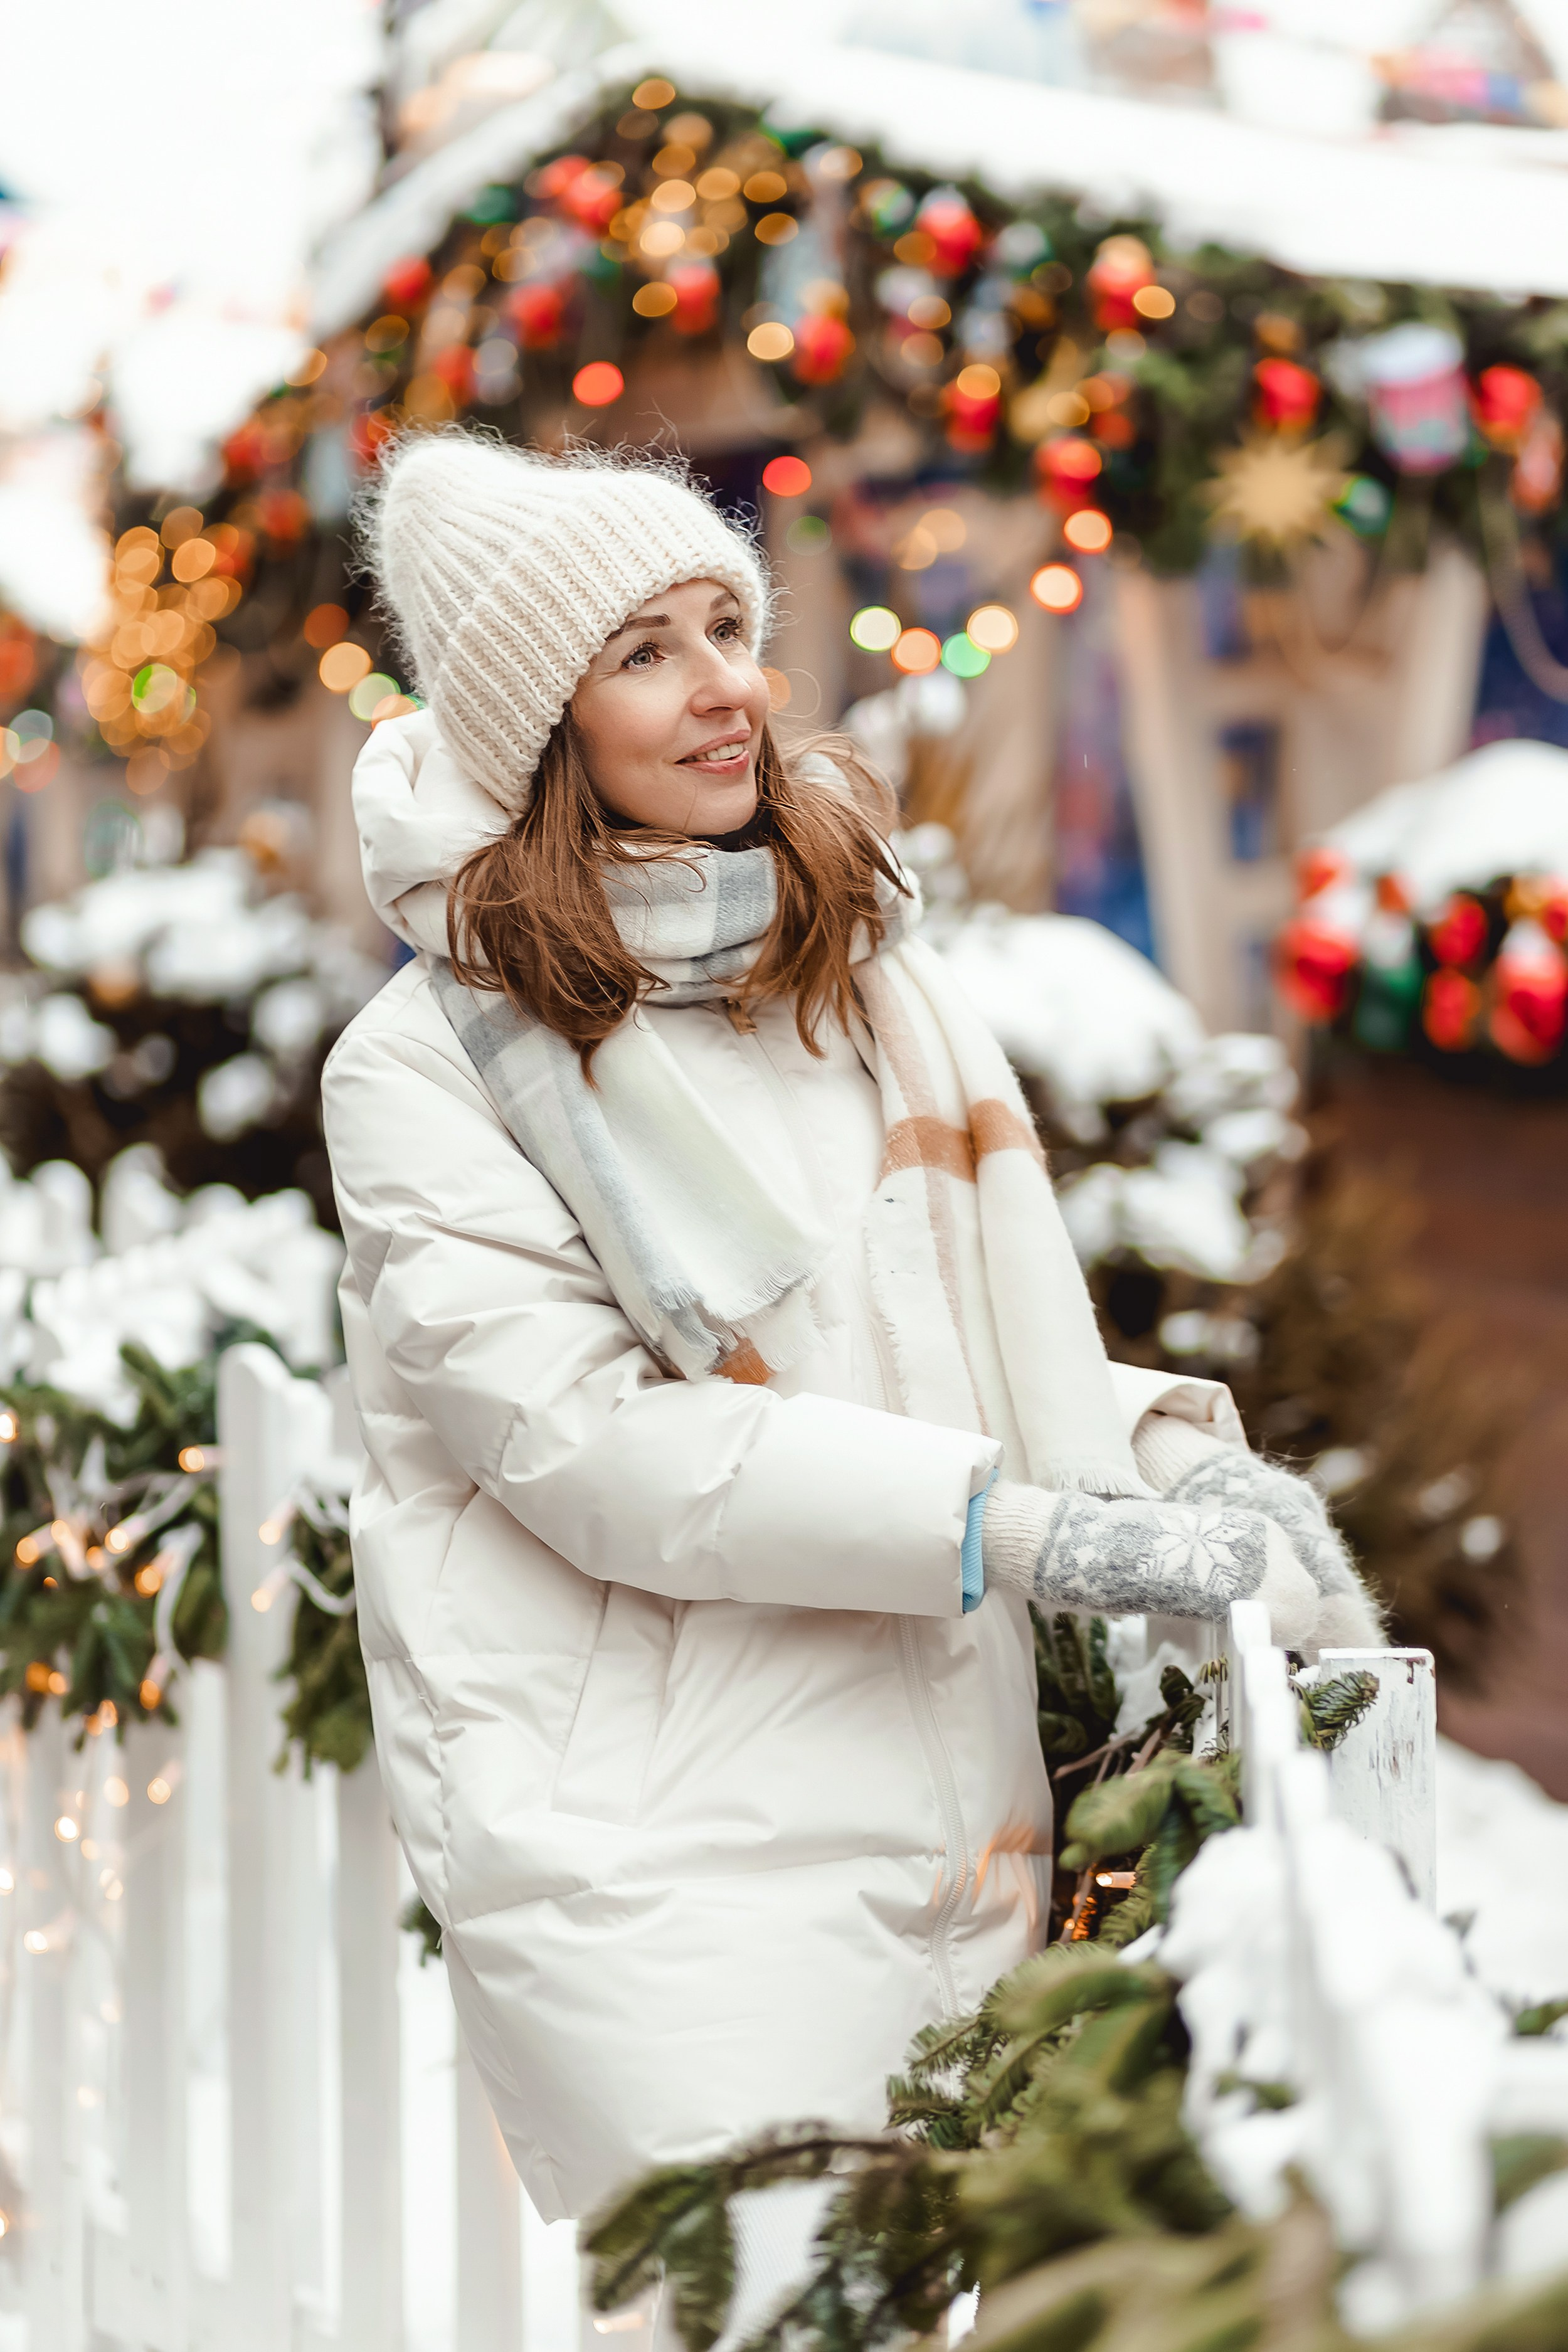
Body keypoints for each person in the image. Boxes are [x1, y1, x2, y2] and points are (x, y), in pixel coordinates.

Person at [323, 432, 1380, 2230]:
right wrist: (1024, 1525)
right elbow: (591, 1447)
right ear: (536, 727)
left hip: (952, 1792)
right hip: (660, 1852)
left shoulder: (849, 976)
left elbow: (939, 1352)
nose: (726, 686)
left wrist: (1165, 1457)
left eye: (725, 622)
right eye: (643, 649)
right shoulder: (428, 1068)